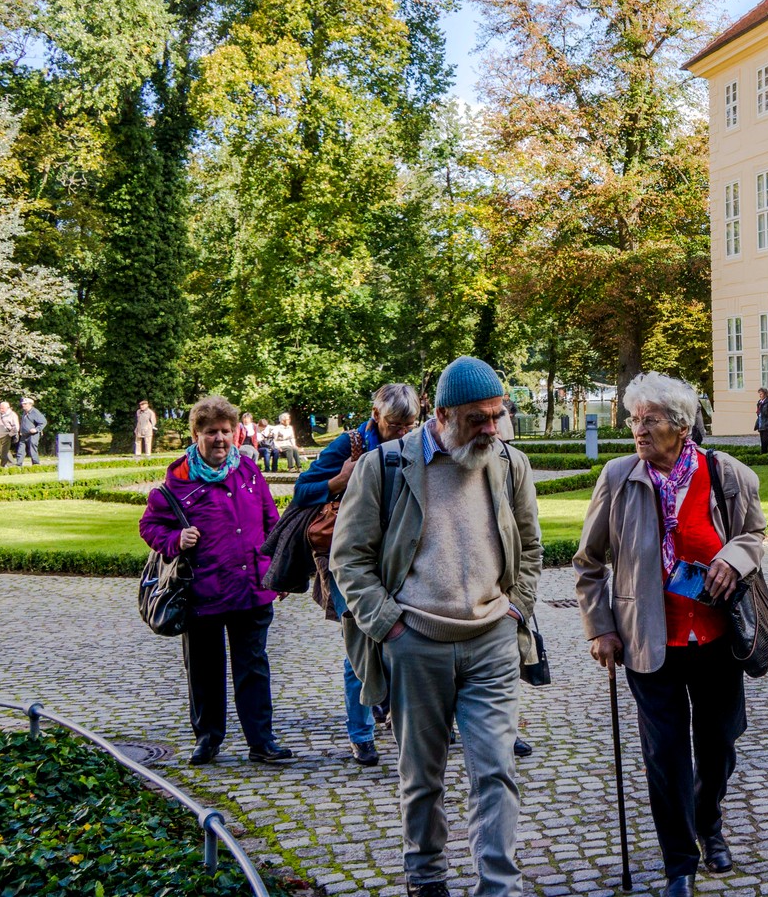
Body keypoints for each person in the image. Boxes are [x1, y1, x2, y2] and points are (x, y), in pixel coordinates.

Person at [331, 357, 544, 897]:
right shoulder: (385, 467)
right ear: (443, 414)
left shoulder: (509, 464)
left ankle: (498, 887)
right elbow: (349, 559)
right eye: (478, 419)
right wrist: (389, 626)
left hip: (492, 639)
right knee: (422, 779)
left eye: (498, 415)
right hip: (416, 643)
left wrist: (515, 608)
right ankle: (426, 880)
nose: (491, 428)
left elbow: (531, 546)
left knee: (495, 771)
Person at [575, 372, 767, 897]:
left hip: (716, 639)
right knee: (665, 757)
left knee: (719, 743)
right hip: (646, 641)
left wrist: (732, 556)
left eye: (650, 420)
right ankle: (679, 863)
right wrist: (601, 628)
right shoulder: (618, 479)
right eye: (634, 419)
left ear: (681, 426)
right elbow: (588, 563)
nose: (637, 429)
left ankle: (709, 819)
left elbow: (753, 534)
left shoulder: (727, 474)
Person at [137, 395, 290, 766]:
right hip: (203, 591)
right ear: (196, 434)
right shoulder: (179, 478)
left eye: (226, 431)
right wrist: (175, 541)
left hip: (252, 587)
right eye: (211, 432)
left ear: (236, 433)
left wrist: (279, 569)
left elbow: (272, 521)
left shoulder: (248, 471)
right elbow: (150, 525)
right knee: (204, 670)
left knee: (252, 667)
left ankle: (261, 741)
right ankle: (208, 739)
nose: (220, 438)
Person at [293, 384, 421, 765]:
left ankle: (389, 710)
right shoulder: (347, 446)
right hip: (351, 560)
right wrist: (338, 481)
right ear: (376, 415)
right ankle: (361, 735)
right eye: (396, 424)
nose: (403, 432)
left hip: (396, 561)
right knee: (359, 647)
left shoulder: (416, 444)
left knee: (402, 643)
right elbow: (302, 490)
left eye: (410, 424)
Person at [15, 397, 45, 466]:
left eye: (25, 404)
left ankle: (36, 464)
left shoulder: (35, 412)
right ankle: (18, 465)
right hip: (24, 434)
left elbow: (43, 422)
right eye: (23, 404)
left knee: (32, 450)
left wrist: (36, 429)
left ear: (30, 404)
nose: (23, 405)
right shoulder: (25, 412)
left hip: (33, 435)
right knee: (20, 450)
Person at [0, 400, 18, 468]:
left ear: (8, 408)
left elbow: (16, 427)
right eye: (0, 408)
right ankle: (12, 463)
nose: (1, 409)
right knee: (4, 451)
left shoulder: (12, 415)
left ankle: (2, 465)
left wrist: (10, 434)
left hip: (7, 435)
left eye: (2, 408)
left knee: (4, 451)